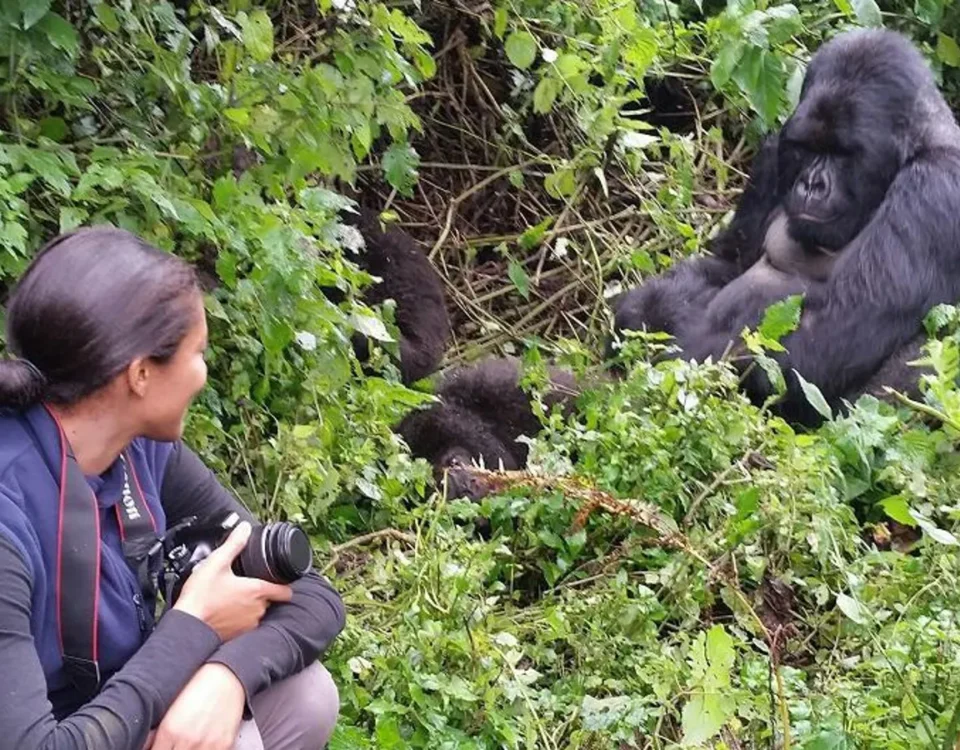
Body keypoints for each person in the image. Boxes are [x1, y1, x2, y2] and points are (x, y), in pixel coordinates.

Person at [0, 226, 346, 749]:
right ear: (140, 374)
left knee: (304, 695)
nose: (203, 375)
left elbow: (310, 594)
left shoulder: (141, 451)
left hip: (107, 712)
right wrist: (192, 627)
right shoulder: (9, 512)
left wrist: (225, 676)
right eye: (198, 352)